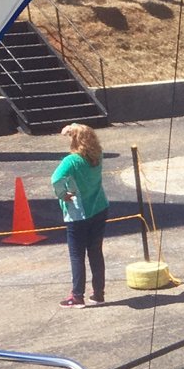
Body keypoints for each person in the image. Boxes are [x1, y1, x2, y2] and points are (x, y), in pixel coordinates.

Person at [52, 122, 110, 308]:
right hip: (99, 207)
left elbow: (56, 179)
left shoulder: (71, 161)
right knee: (95, 251)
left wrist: (63, 194)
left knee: (77, 255)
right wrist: (74, 128)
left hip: (79, 213)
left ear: (75, 141)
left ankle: (77, 296)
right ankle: (98, 293)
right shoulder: (98, 155)